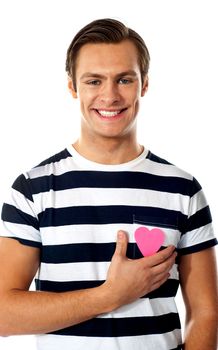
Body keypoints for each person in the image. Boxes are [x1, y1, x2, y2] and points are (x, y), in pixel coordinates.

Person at [0, 18, 217, 350]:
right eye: (93, 81)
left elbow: (205, 312)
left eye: (124, 79)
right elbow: (3, 315)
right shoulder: (33, 190)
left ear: (144, 84)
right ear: (73, 87)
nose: (110, 95)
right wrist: (110, 295)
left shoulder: (183, 189)